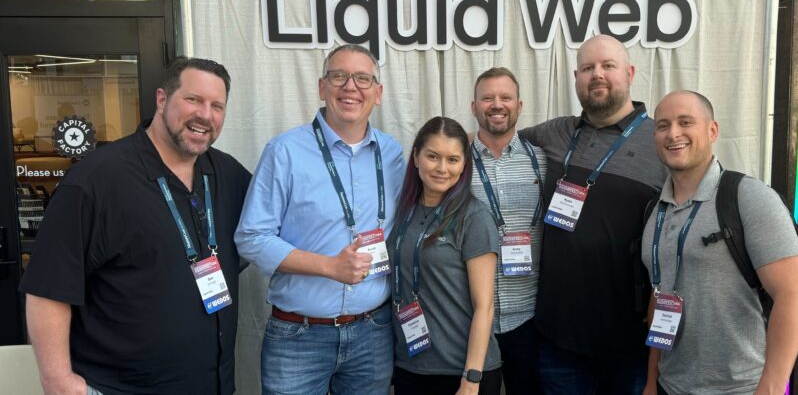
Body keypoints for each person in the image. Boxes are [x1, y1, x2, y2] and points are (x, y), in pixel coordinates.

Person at [19, 57, 252, 395]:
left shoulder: (228, 174)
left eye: (217, 105)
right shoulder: (95, 182)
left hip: (212, 384)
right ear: (162, 99)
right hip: (120, 386)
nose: (205, 115)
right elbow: (47, 289)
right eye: (193, 100)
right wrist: (58, 381)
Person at [234, 45, 404, 395]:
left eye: (362, 78)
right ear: (322, 87)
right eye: (338, 76)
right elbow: (251, 236)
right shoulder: (284, 151)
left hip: (373, 331)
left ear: (378, 93)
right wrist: (329, 267)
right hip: (299, 335)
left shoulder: (392, 154)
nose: (350, 87)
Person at [519, 34, 668, 394]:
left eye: (607, 66)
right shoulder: (556, 132)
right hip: (560, 342)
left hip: (632, 346)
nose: (597, 75)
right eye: (587, 68)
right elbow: (496, 142)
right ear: (576, 77)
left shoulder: (662, 141)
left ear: (630, 73)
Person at [640, 91, 798, 395]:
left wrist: (769, 389)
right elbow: (660, 298)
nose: (673, 133)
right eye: (663, 125)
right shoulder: (655, 211)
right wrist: (652, 381)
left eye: (685, 122)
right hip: (671, 385)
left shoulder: (749, 198)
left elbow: (793, 297)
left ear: (712, 130)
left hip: (741, 389)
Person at [388, 117, 502, 395]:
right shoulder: (401, 211)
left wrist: (471, 377)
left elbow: (484, 306)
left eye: (452, 159)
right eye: (432, 156)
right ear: (416, 157)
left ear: (464, 165)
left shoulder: (474, 217)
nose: (441, 168)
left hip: (462, 372)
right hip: (410, 366)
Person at [468, 67, 547, 395]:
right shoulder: (455, 164)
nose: (496, 104)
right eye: (487, 98)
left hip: (529, 319)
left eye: (505, 97)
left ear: (520, 105)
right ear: (474, 107)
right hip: (470, 319)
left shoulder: (543, 161)